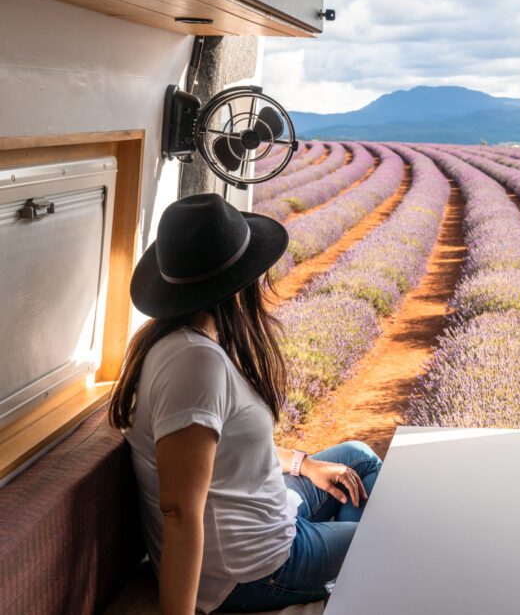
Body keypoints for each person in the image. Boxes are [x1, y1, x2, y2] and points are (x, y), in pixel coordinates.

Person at [108, 193, 382, 614]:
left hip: (259, 518)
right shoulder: (196, 364)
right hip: (252, 569)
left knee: (358, 459)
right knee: (387, 540)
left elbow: (216, 451)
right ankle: (345, 579)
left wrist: (302, 464)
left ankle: (341, 556)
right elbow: (181, 510)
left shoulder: (171, 342)